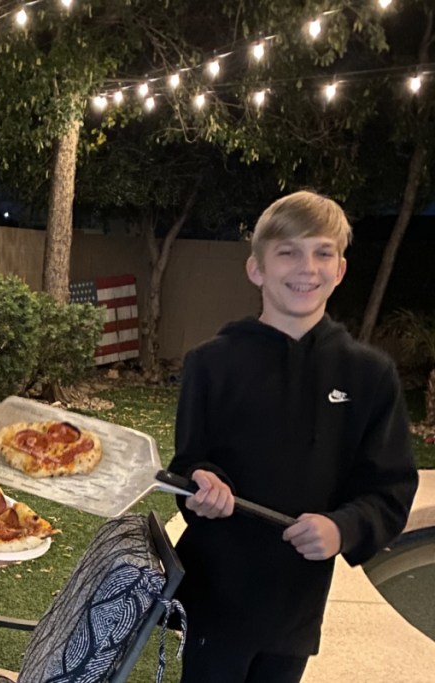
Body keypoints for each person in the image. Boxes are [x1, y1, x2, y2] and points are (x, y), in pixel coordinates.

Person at [167, 190, 418, 683]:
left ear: (340, 269)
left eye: (323, 252)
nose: (307, 266)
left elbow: (389, 490)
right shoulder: (210, 364)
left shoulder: (370, 375)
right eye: (288, 251)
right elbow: (189, 463)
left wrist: (343, 527)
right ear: (256, 269)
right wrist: (202, 484)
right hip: (217, 593)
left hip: (297, 602)